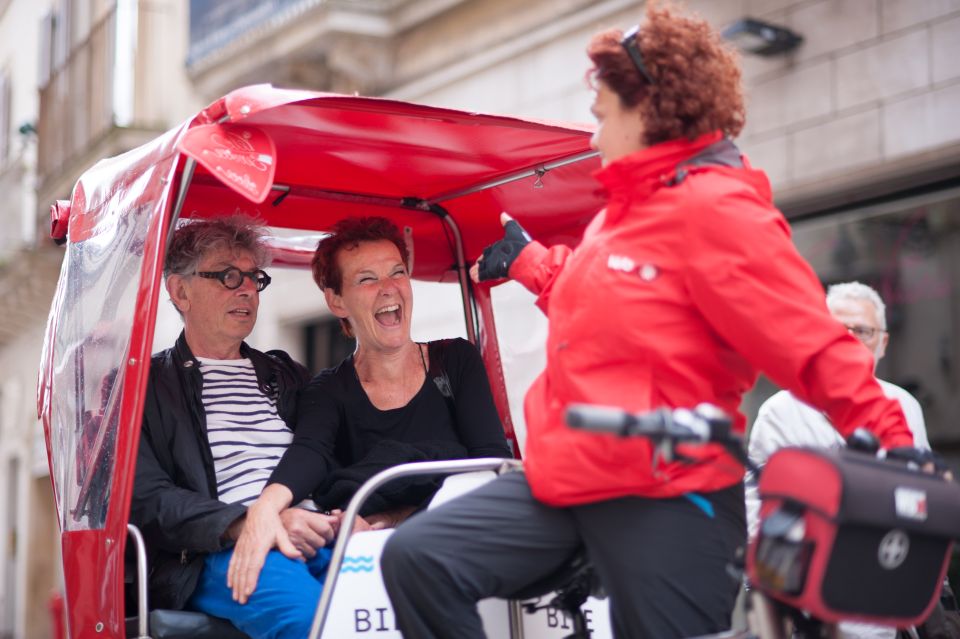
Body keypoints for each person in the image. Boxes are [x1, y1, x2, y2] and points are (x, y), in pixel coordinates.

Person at [378, 4, 918, 638]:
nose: (592, 136)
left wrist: (896, 445)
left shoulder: (719, 211)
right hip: (573, 481)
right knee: (420, 559)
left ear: (651, 111)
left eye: (602, 116)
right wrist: (530, 263)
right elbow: (610, 309)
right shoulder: (621, 216)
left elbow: (810, 343)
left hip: (670, 496)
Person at [227, 216, 512, 607]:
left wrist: (393, 518)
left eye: (397, 272)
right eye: (367, 279)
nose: (388, 288)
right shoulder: (327, 389)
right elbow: (308, 452)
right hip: (379, 571)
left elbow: (492, 466)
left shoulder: (455, 360)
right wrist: (264, 509)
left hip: (466, 542)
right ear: (336, 301)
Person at [130, 216, 340, 639]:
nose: (246, 289)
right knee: (317, 623)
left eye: (253, 277)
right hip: (217, 548)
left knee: (408, 594)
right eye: (228, 275)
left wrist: (346, 513)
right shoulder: (145, 386)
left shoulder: (286, 374)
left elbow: (328, 452)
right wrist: (249, 522)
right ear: (180, 291)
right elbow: (147, 499)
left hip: (320, 534)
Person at [746, 281, 931, 639]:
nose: (848, 340)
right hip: (806, 605)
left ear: (883, 343)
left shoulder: (905, 407)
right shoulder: (780, 412)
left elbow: (919, 498)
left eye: (861, 331)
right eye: (836, 330)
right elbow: (757, 510)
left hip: (887, 592)